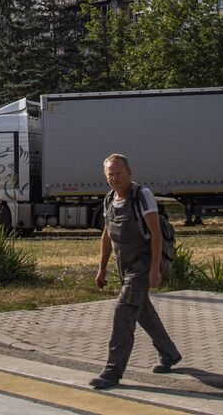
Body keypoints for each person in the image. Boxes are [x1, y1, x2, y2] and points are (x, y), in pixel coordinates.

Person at [90, 153, 181, 389]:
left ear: (129, 173)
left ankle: (112, 371)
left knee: (123, 313)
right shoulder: (109, 199)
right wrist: (101, 268)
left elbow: (156, 233)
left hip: (143, 264)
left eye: (119, 173)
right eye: (110, 174)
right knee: (143, 313)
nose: (115, 178)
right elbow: (107, 235)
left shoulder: (142, 195)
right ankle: (169, 354)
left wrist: (154, 270)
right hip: (125, 266)